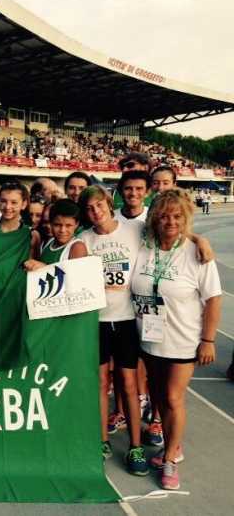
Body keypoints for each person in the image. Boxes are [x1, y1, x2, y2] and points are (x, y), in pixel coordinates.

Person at [131, 189, 221, 489]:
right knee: (158, 397)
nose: (171, 221)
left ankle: (170, 458)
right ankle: (172, 444)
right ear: (154, 219)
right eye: (164, 216)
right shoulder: (144, 246)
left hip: (183, 339)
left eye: (177, 216)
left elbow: (213, 299)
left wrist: (208, 340)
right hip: (149, 338)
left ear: (186, 219)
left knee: (172, 397)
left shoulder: (197, 254)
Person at [78, 185, 148, 475]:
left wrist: (198, 240)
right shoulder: (84, 239)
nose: (96, 211)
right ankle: (102, 441)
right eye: (89, 208)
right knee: (100, 383)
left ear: (109, 203)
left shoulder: (134, 230)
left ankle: (135, 445)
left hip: (127, 318)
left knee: (128, 383)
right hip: (97, 321)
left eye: (99, 205)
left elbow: (169, 236)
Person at [23, 199, 87, 270]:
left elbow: (76, 275)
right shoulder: (49, 242)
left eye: (68, 225)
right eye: (57, 225)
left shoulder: (77, 247)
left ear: (76, 224)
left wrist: (45, 268)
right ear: (51, 223)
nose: (62, 230)